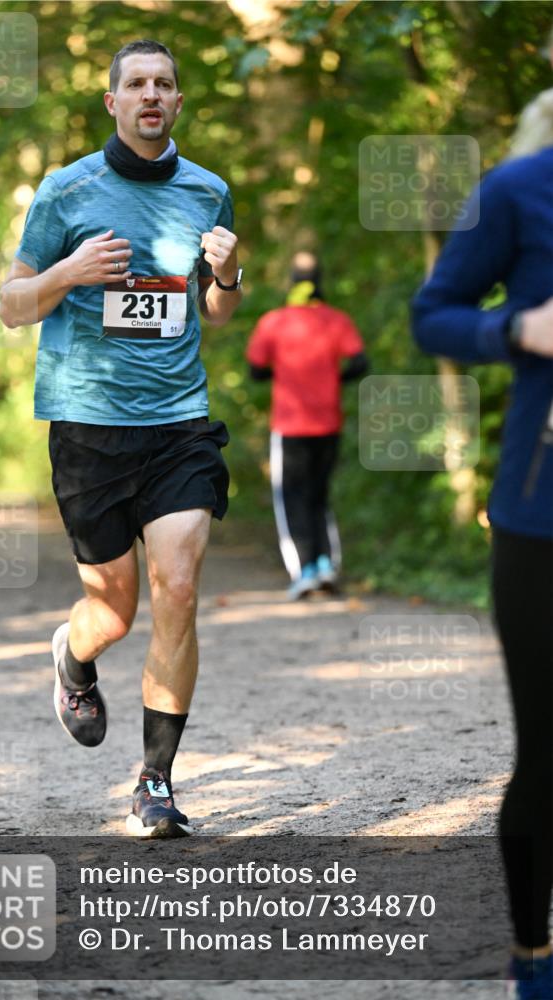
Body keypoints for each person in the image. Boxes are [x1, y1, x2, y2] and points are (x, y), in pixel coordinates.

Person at [0, 39, 242, 838]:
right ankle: (73, 654)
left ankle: (156, 783)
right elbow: (12, 304)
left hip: (177, 421)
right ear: (112, 101)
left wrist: (230, 276)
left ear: (177, 103)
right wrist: (69, 273)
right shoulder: (66, 190)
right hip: (88, 424)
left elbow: (214, 313)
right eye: (135, 83)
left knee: (178, 585)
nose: (150, 94)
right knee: (115, 608)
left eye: (164, 84)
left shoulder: (208, 191)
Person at [411, 89, 553, 1000]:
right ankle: (531, 957)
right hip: (542, 518)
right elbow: (433, 313)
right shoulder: (515, 191)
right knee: (546, 752)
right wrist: (516, 327)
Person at [246, 252, 368, 599]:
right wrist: (332, 380)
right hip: (329, 422)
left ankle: (304, 572)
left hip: (289, 424)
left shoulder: (274, 322)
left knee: (291, 498)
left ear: (291, 282)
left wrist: (284, 375)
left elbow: (256, 370)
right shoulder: (336, 320)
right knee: (319, 495)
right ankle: (326, 566)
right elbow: (360, 363)